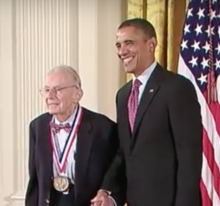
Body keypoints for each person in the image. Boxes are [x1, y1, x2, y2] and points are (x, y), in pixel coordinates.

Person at [91, 18, 202, 206]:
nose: (121, 51)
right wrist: (107, 191)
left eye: (129, 43)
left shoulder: (177, 88)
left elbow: (189, 158)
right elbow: (125, 152)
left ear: (151, 44)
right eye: (118, 45)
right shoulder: (123, 95)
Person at [25, 65, 119, 206]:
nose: (50, 96)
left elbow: (118, 171)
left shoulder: (103, 128)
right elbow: (35, 182)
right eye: (46, 90)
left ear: (77, 94)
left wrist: (109, 196)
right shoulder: (37, 126)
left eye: (57, 90)